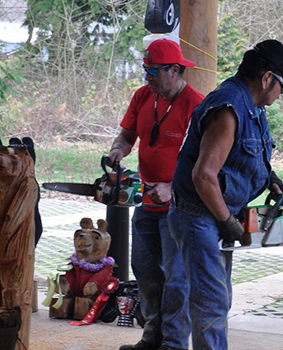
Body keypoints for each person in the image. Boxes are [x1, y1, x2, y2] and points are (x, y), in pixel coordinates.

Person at [167, 39, 283, 350]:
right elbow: (203, 175)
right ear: (267, 78)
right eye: (282, 85)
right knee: (210, 304)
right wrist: (227, 222)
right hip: (199, 216)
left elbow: (246, 157)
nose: (282, 93)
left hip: (213, 214)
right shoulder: (228, 108)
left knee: (217, 299)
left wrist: (271, 179)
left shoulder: (253, 108)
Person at [108, 39, 204, 350]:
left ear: (174, 70)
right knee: (145, 273)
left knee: (177, 280)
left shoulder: (197, 106)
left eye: (153, 71)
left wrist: (172, 187)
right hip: (146, 202)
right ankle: (152, 338)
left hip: (180, 207)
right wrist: (118, 149)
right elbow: (126, 134)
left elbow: (207, 163)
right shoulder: (143, 96)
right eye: (145, 70)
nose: (147, 77)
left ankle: (173, 344)